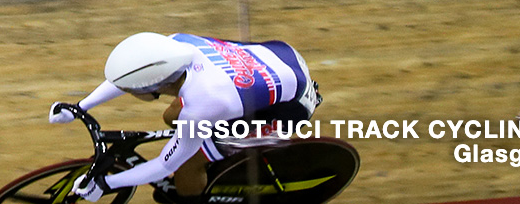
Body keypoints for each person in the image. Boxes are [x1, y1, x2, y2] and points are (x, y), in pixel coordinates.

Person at [48, 31, 322, 199]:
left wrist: (107, 183)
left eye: (132, 90)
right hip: (279, 59)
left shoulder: (202, 106)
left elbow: (163, 166)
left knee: (185, 168)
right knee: (172, 117)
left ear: (153, 88)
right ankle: (214, 156)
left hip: (287, 108)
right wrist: (81, 106)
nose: (126, 91)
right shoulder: (177, 44)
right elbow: (127, 76)